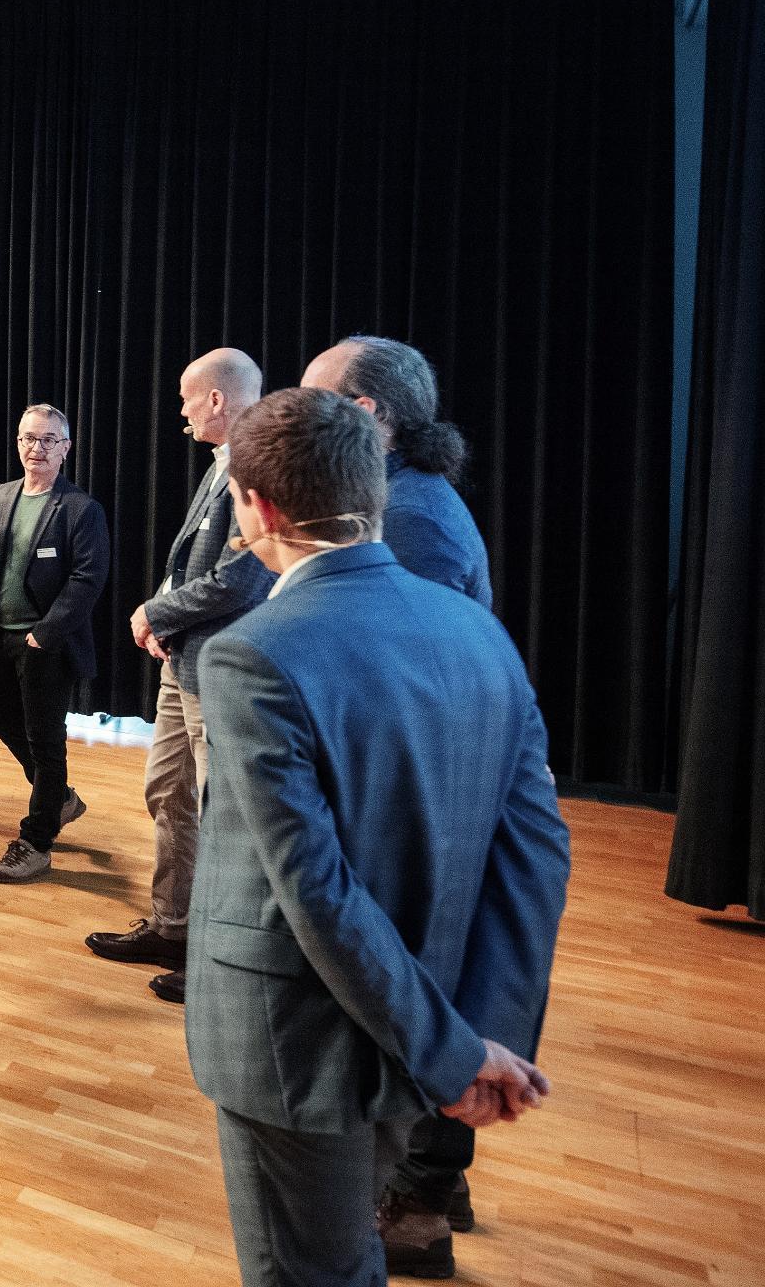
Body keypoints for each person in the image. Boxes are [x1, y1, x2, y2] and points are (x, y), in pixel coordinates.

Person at [187, 387, 567, 1287]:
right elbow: (537, 855)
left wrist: (454, 1053)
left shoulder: (252, 653)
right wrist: (474, 1038)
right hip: (424, 1023)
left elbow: (315, 889)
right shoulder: (482, 635)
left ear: (257, 506)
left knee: (308, 1271)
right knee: (348, 1248)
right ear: (375, 492)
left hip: (292, 1049)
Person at [303, 335, 497, 1271]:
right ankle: (435, 1179)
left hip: (427, 793)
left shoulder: (410, 518)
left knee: (416, 988)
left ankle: (416, 1207)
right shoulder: (405, 500)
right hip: (431, 786)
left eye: (314, 400)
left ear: (370, 417)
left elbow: (397, 681)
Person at [89, 349, 273, 1004]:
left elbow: (242, 578)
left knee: (220, 814)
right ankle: (174, 927)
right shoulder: (222, 462)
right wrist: (163, 614)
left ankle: (220, 959)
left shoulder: (257, 466)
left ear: (218, 401)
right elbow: (191, 560)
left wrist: (155, 610)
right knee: (168, 792)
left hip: (218, 665)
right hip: (183, 657)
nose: (182, 410)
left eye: (188, 397)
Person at [0, 402, 111, 884]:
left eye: (46, 440)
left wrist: (46, 633)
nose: (34, 448)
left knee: (46, 742)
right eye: (26, 438)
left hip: (46, 644)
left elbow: (88, 578)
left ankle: (37, 840)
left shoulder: (81, 509)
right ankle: (60, 798)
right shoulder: (0, 496)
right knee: (2, 722)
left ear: (65, 448)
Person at [303, 336, 491, 608]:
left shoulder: (411, 516)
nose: (297, 417)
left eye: (311, 401)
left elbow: (408, 640)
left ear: (363, 410)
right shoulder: (393, 490)